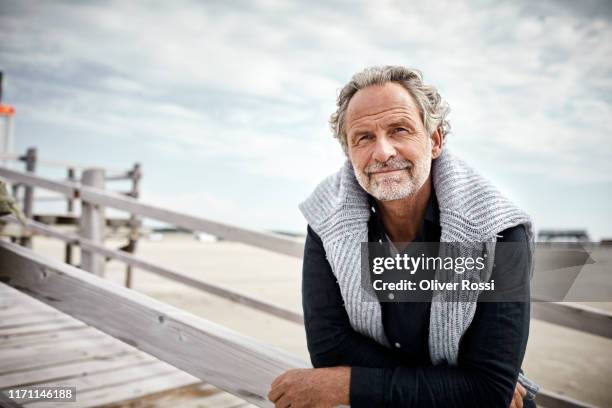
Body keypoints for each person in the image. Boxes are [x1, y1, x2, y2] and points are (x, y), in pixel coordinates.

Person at [268, 66, 539, 407]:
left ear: (435, 140)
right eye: (363, 137)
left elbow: (488, 391)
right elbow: (329, 348)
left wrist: (349, 385)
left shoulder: (498, 230)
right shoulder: (326, 217)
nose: (382, 152)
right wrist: (459, 387)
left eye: (399, 130)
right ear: (348, 153)